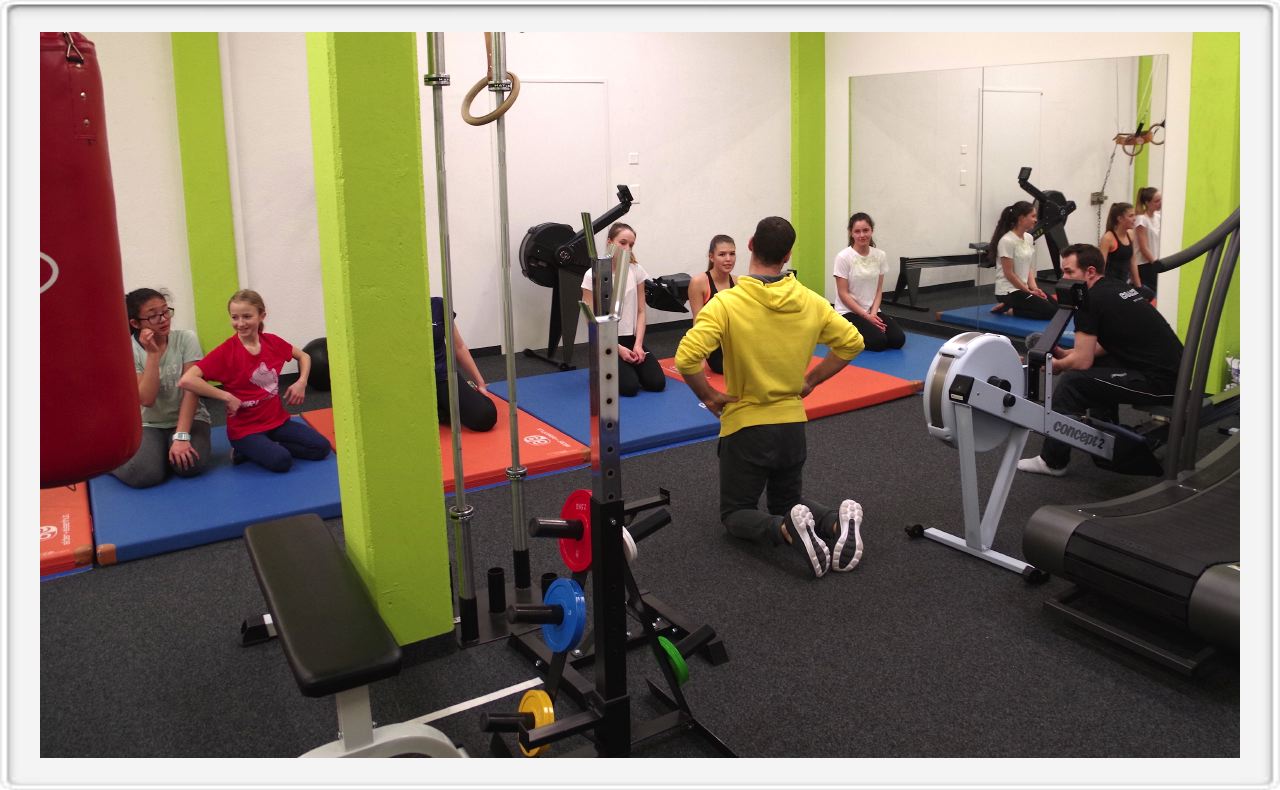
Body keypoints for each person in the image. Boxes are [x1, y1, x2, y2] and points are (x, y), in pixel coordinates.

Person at [675, 216, 866, 579]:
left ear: (750, 244)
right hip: (792, 425)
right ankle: (834, 522)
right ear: (788, 254)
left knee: (736, 513)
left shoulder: (727, 303)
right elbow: (852, 342)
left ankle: (786, 531)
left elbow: (686, 358)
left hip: (746, 428)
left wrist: (710, 396)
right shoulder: (810, 300)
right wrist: (811, 381)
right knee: (788, 501)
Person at [1017, 243, 1183, 477]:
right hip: (1176, 373)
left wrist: (1059, 366)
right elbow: (1108, 343)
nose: (1064, 279)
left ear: (1090, 272)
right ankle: (1109, 441)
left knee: (1073, 382)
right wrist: (1069, 355)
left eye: (1069, 272)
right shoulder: (1116, 286)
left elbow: (1082, 362)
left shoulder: (1089, 299)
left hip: (1161, 384)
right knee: (1095, 371)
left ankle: (1053, 461)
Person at [179, 289, 332, 472]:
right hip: (245, 431)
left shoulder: (272, 342)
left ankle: (262, 447)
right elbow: (187, 380)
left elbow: (304, 356)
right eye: (235, 317)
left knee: (322, 448)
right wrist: (226, 396)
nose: (240, 323)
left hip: (277, 422)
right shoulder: (226, 352)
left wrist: (301, 382)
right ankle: (244, 449)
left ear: (261, 316)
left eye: (247, 316)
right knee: (282, 461)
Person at [109, 288, 211, 488]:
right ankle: (110, 462)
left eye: (166, 311)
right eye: (153, 316)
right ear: (135, 323)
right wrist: (153, 355)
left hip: (190, 418)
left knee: (190, 465)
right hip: (149, 423)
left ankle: (166, 450)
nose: (164, 319)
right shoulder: (128, 349)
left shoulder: (186, 339)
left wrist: (181, 436)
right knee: (145, 474)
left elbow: (191, 390)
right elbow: (147, 399)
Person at [580, 222, 665, 397]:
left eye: (631, 245)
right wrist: (617, 348)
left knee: (656, 383)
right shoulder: (592, 274)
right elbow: (590, 319)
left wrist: (638, 345)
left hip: (631, 339)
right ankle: (600, 368)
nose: (627, 248)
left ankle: (626, 364)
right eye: (623, 243)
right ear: (610, 242)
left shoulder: (636, 270)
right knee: (629, 387)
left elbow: (641, 311)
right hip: (606, 342)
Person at [832, 212, 906, 351]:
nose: (862, 235)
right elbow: (843, 294)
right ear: (851, 233)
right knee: (879, 342)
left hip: (871, 310)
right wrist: (866, 316)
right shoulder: (843, 257)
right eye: (857, 231)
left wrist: (873, 314)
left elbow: (878, 290)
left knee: (898, 340)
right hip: (848, 312)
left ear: (872, 230)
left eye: (865, 230)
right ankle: (842, 332)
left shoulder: (880, 255)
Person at [431, 296, 497, 432]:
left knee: (485, 416)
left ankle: (444, 405)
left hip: (442, 376)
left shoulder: (438, 305)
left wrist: (480, 383)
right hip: (413, 381)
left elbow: (459, 347)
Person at [988, 201, 1056, 319]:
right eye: (1033, 216)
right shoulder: (1007, 241)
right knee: (1051, 312)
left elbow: (1028, 267)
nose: (1036, 220)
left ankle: (1010, 306)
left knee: (1057, 308)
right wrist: (1028, 291)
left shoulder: (1029, 238)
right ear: (1021, 218)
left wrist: (1035, 288)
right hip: (1008, 291)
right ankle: (1011, 309)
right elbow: (1009, 274)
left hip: (1023, 289)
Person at [685, 234, 737, 374]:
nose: (728, 259)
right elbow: (698, 320)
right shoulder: (699, 282)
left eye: (732, 254)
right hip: (714, 344)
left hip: (734, 341)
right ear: (711, 257)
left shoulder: (738, 281)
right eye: (722, 254)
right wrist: (699, 356)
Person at [1133, 187, 1163, 298]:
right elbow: (1143, 247)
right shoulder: (1141, 220)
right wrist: (1156, 264)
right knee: (1150, 296)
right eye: (1157, 201)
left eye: (1161, 199)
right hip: (1145, 264)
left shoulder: (1158, 217)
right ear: (1147, 203)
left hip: (1155, 261)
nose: (1160, 203)